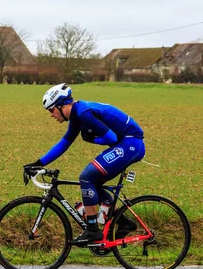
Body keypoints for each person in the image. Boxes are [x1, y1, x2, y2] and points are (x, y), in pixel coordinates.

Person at [24, 83, 146, 245]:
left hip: (130, 144)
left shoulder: (83, 113)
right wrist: (38, 163)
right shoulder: (77, 115)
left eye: (51, 110)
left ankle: (92, 230)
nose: (51, 115)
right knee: (93, 181)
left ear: (61, 105)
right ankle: (123, 221)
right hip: (127, 144)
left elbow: (111, 138)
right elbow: (64, 144)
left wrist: (92, 138)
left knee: (87, 177)